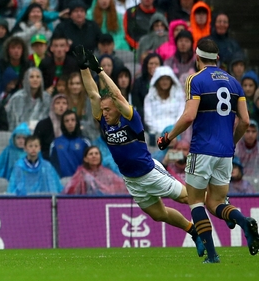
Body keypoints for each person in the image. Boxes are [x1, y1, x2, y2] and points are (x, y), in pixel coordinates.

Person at [74, 45, 205, 260]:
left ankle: (221, 206)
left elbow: (116, 94)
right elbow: (92, 93)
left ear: (117, 107)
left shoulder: (131, 119)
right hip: (132, 180)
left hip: (149, 171)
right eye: (103, 110)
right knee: (158, 215)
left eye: (108, 109)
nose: (104, 113)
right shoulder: (105, 123)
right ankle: (193, 231)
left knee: (186, 197)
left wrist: (100, 71)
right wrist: (83, 68)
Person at [158, 38, 259, 262]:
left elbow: (189, 116)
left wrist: (168, 137)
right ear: (218, 58)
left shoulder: (196, 79)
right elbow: (244, 120)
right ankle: (243, 222)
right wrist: (231, 142)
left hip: (202, 149)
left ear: (197, 57)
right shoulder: (235, 83)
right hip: (225, 153)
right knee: (216, 202)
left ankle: (212, 255)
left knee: (196, 201)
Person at [62, 145, 128, 195]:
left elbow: (120, 186)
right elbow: (70, 190)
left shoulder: (108, 173)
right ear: (85, 159)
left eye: (96, 153)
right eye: (91, 154)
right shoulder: (80, 173)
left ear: (100, 157)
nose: (94, 156)